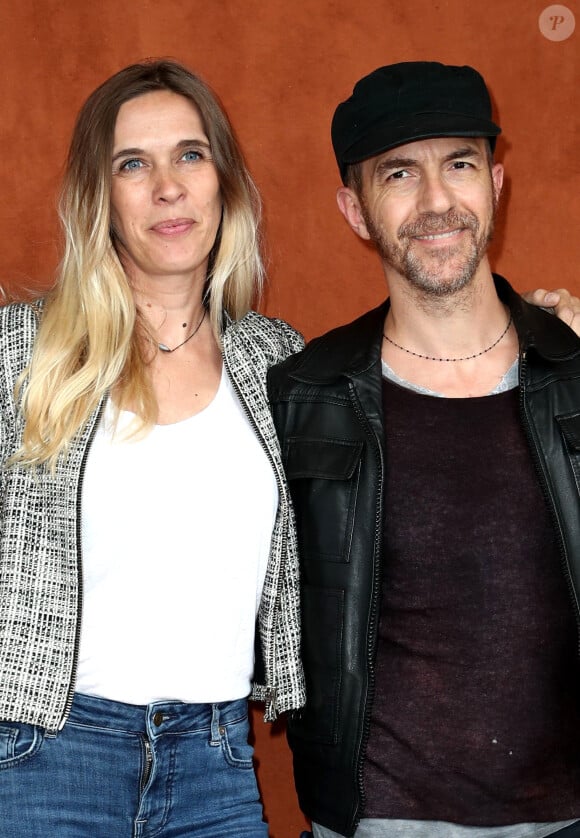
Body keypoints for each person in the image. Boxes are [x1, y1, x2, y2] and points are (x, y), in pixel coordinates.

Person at [267, 62, 580, 838]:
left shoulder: (575, 369)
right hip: (373, 826)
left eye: (461, 165)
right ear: (355, 209)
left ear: (496, 185)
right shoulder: (305, 394)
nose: (437, 201)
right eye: (399, 173)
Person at [0, 59, 306, 837]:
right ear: (99, 199)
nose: (168, 186)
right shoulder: (19, 353)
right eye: (132, 164)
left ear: (223, 183)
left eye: (190, 155)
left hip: (217, 764)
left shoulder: (280, 362)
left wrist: (535, 335)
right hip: (43, 758)